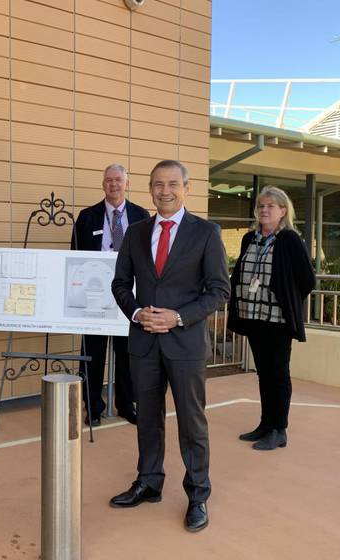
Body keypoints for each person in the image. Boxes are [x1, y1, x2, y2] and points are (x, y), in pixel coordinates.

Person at [109, 159, 229, 532]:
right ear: (149, 189)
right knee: (147, 418)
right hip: (143, 343)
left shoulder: (206, 233)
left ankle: (197, 495)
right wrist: (137, 313)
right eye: (158, 184)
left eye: (172, 184)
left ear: (186, 188)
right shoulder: (136, 232)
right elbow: (119, 284)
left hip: (185, 343)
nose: (165, 191)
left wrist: (177, 317)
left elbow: (219, 291)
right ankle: (149, 482)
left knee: (192, 422)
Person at [227, 186, 315, 451]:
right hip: (253, 317)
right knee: (263, 373)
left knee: (278, 374)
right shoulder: (249, 239)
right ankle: (266, 424)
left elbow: (306, 279)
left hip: (276, 320)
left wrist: (285, 296)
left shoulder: (289, 239)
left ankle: (279, 429)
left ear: (283, 211)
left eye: (271, 206)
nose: (264, 210)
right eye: (261, 206)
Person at [71, 164, 150, 426]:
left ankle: (126, 404)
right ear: (103, 184)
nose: (113, 184)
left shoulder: (141, 215)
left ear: (127, 184)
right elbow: (76, 257)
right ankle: (92, 406)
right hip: (94, 296)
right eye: (109, 180)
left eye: (118, 180)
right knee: (92, 354)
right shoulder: (87, 217)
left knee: (127, 354)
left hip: (129, 294)